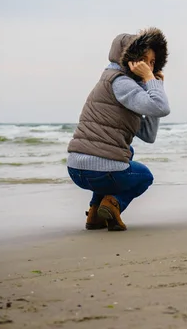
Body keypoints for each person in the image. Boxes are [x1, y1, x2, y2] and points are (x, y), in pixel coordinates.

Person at [66, 27, 170, 231]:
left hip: (76, 169)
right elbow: (161, 107)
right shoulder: (121, 83)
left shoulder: (111, 82)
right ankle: (113, 204)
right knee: (144, 177)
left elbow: (148, 135)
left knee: (126, 152)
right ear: (132, 59)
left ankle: (95, 214)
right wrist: (152, 82)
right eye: (146, 61)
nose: (151, 67)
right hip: (98, 173)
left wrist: (153, 85)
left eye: (153, 63)